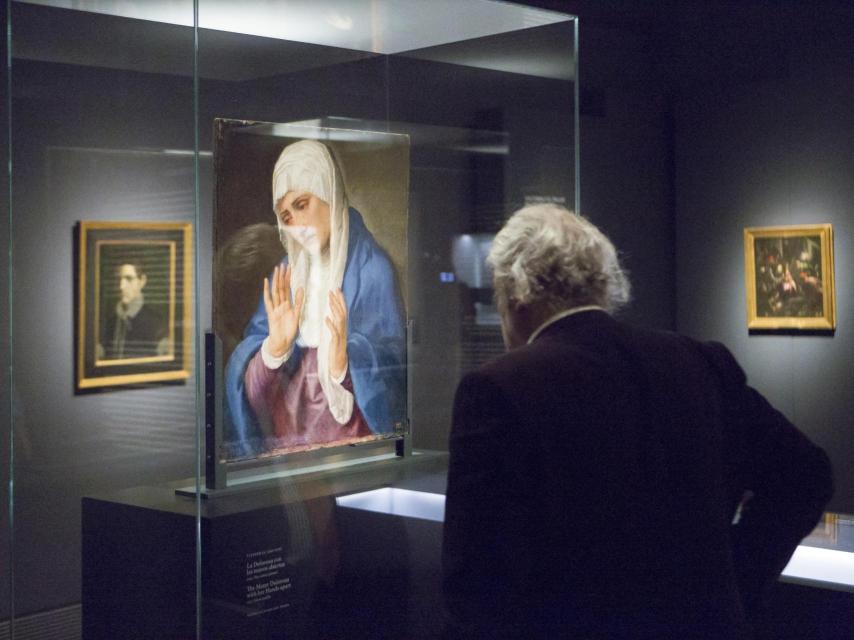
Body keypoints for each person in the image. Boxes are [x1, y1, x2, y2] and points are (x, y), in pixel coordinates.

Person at [442, 204, 833, 639]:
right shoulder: (699, 360)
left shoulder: (497, 388)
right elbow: (806, 474)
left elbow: (473, 584)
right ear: (604, 285)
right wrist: (736, 578)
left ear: (515, 293)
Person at [224, 139, 406, 459]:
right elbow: (254, 398)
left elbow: (396, 387)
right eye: (286, 215)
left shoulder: (373, 272)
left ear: (329, 194)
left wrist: (344, 364)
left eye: (302, 204)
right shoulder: (286, 275)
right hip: (289, 464)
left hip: (348, 461)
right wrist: (272, 351)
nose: (296, 223)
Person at [101, 260, 169, 359]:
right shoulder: (109, 322)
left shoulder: (157, 324)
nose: (121, 287)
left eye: (128, 279)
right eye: (118, 279)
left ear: (142, 281)